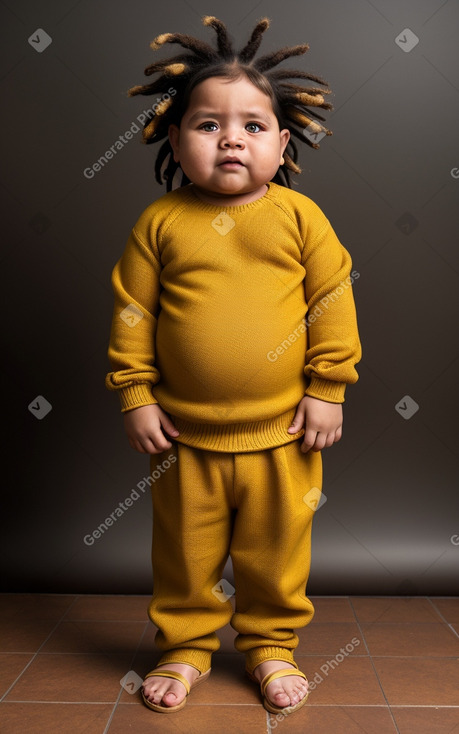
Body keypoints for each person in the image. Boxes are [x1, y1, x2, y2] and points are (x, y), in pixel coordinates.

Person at [105, 15, 361, 717]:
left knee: (275, 552)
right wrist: (136, 396)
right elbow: (133, 311)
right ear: (171, 137)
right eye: (206, 124)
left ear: (283, 143)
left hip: (284, 433)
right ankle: (183, 648)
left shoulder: (300, 218)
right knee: (184, 557)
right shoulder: (160, 225)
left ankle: (270, 645)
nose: (229, 139)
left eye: (252, 126)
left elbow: (331, 300)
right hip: (182, 439)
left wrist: (327, 387)